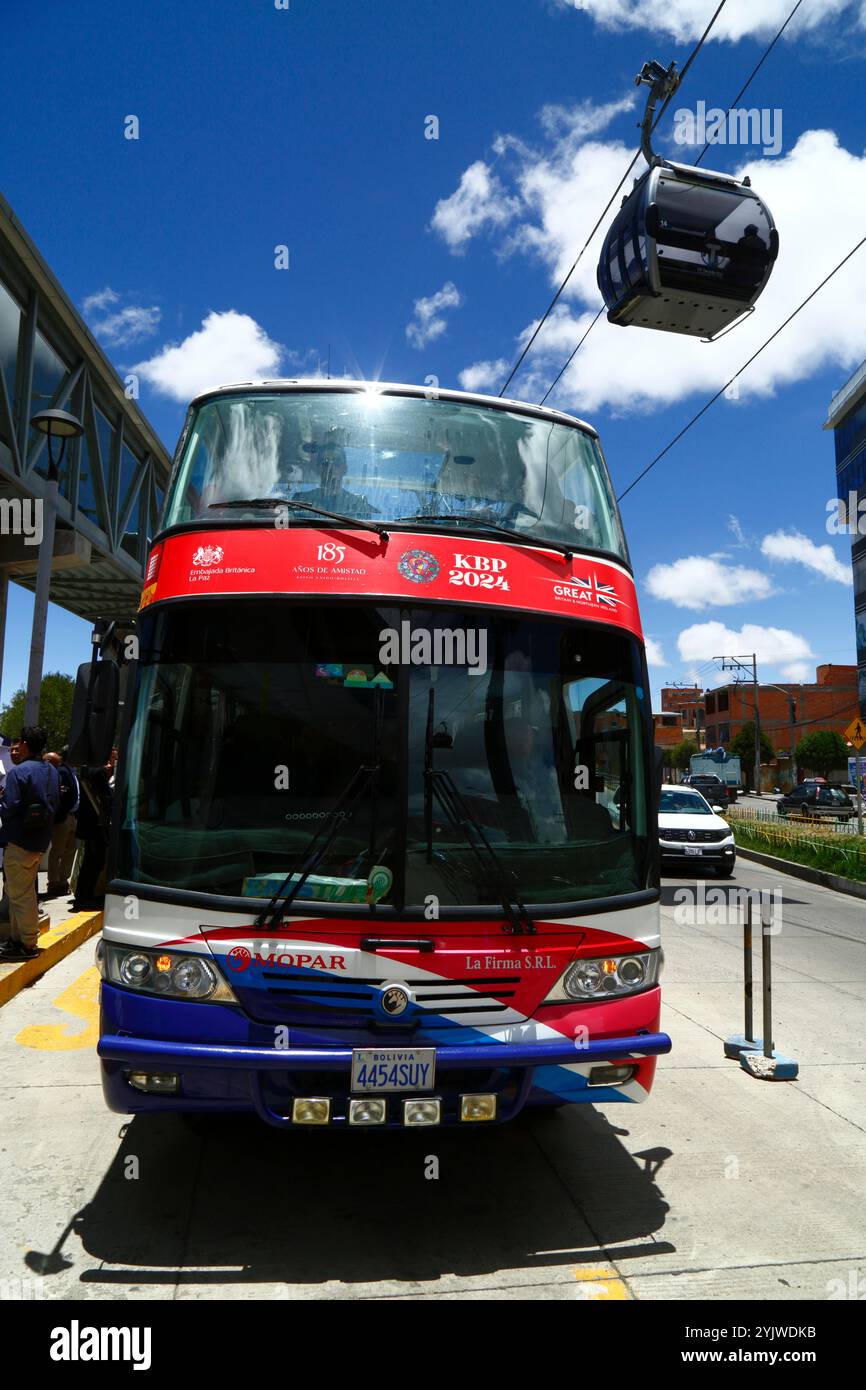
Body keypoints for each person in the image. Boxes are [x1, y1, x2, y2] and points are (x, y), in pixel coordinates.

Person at [0, 725, 60, 962]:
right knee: (19, 893)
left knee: (21, 894)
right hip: (40, 840)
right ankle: (16, 940)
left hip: (19, 841)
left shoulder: (19, 772)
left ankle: (27, 943)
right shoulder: (51, 771)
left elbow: (9, 808)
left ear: (24, 744)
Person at [72, 749, 115, 911]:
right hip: (96, 824)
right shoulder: (98, 772)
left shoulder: (87, 769)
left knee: (90, 861)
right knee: (95, 862)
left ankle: (83, 895)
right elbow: (108, 797)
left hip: (88, 824)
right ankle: (86, 897)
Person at [293, 442, 374, 518]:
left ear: (344, 469)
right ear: (318, 468)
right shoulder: (301, 501)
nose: (330, 467)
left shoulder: (359, 505)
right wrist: (307, 516)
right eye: (325, 462)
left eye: (336, 462)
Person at [43, 747, 80, 898]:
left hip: (73, 816)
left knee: (70, 850)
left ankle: (63, 881)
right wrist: (62, 814)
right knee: (57, 851)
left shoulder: (73, 771)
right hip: (64, 817)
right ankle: (53, 883)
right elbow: (59, 794)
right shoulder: (62, 771)